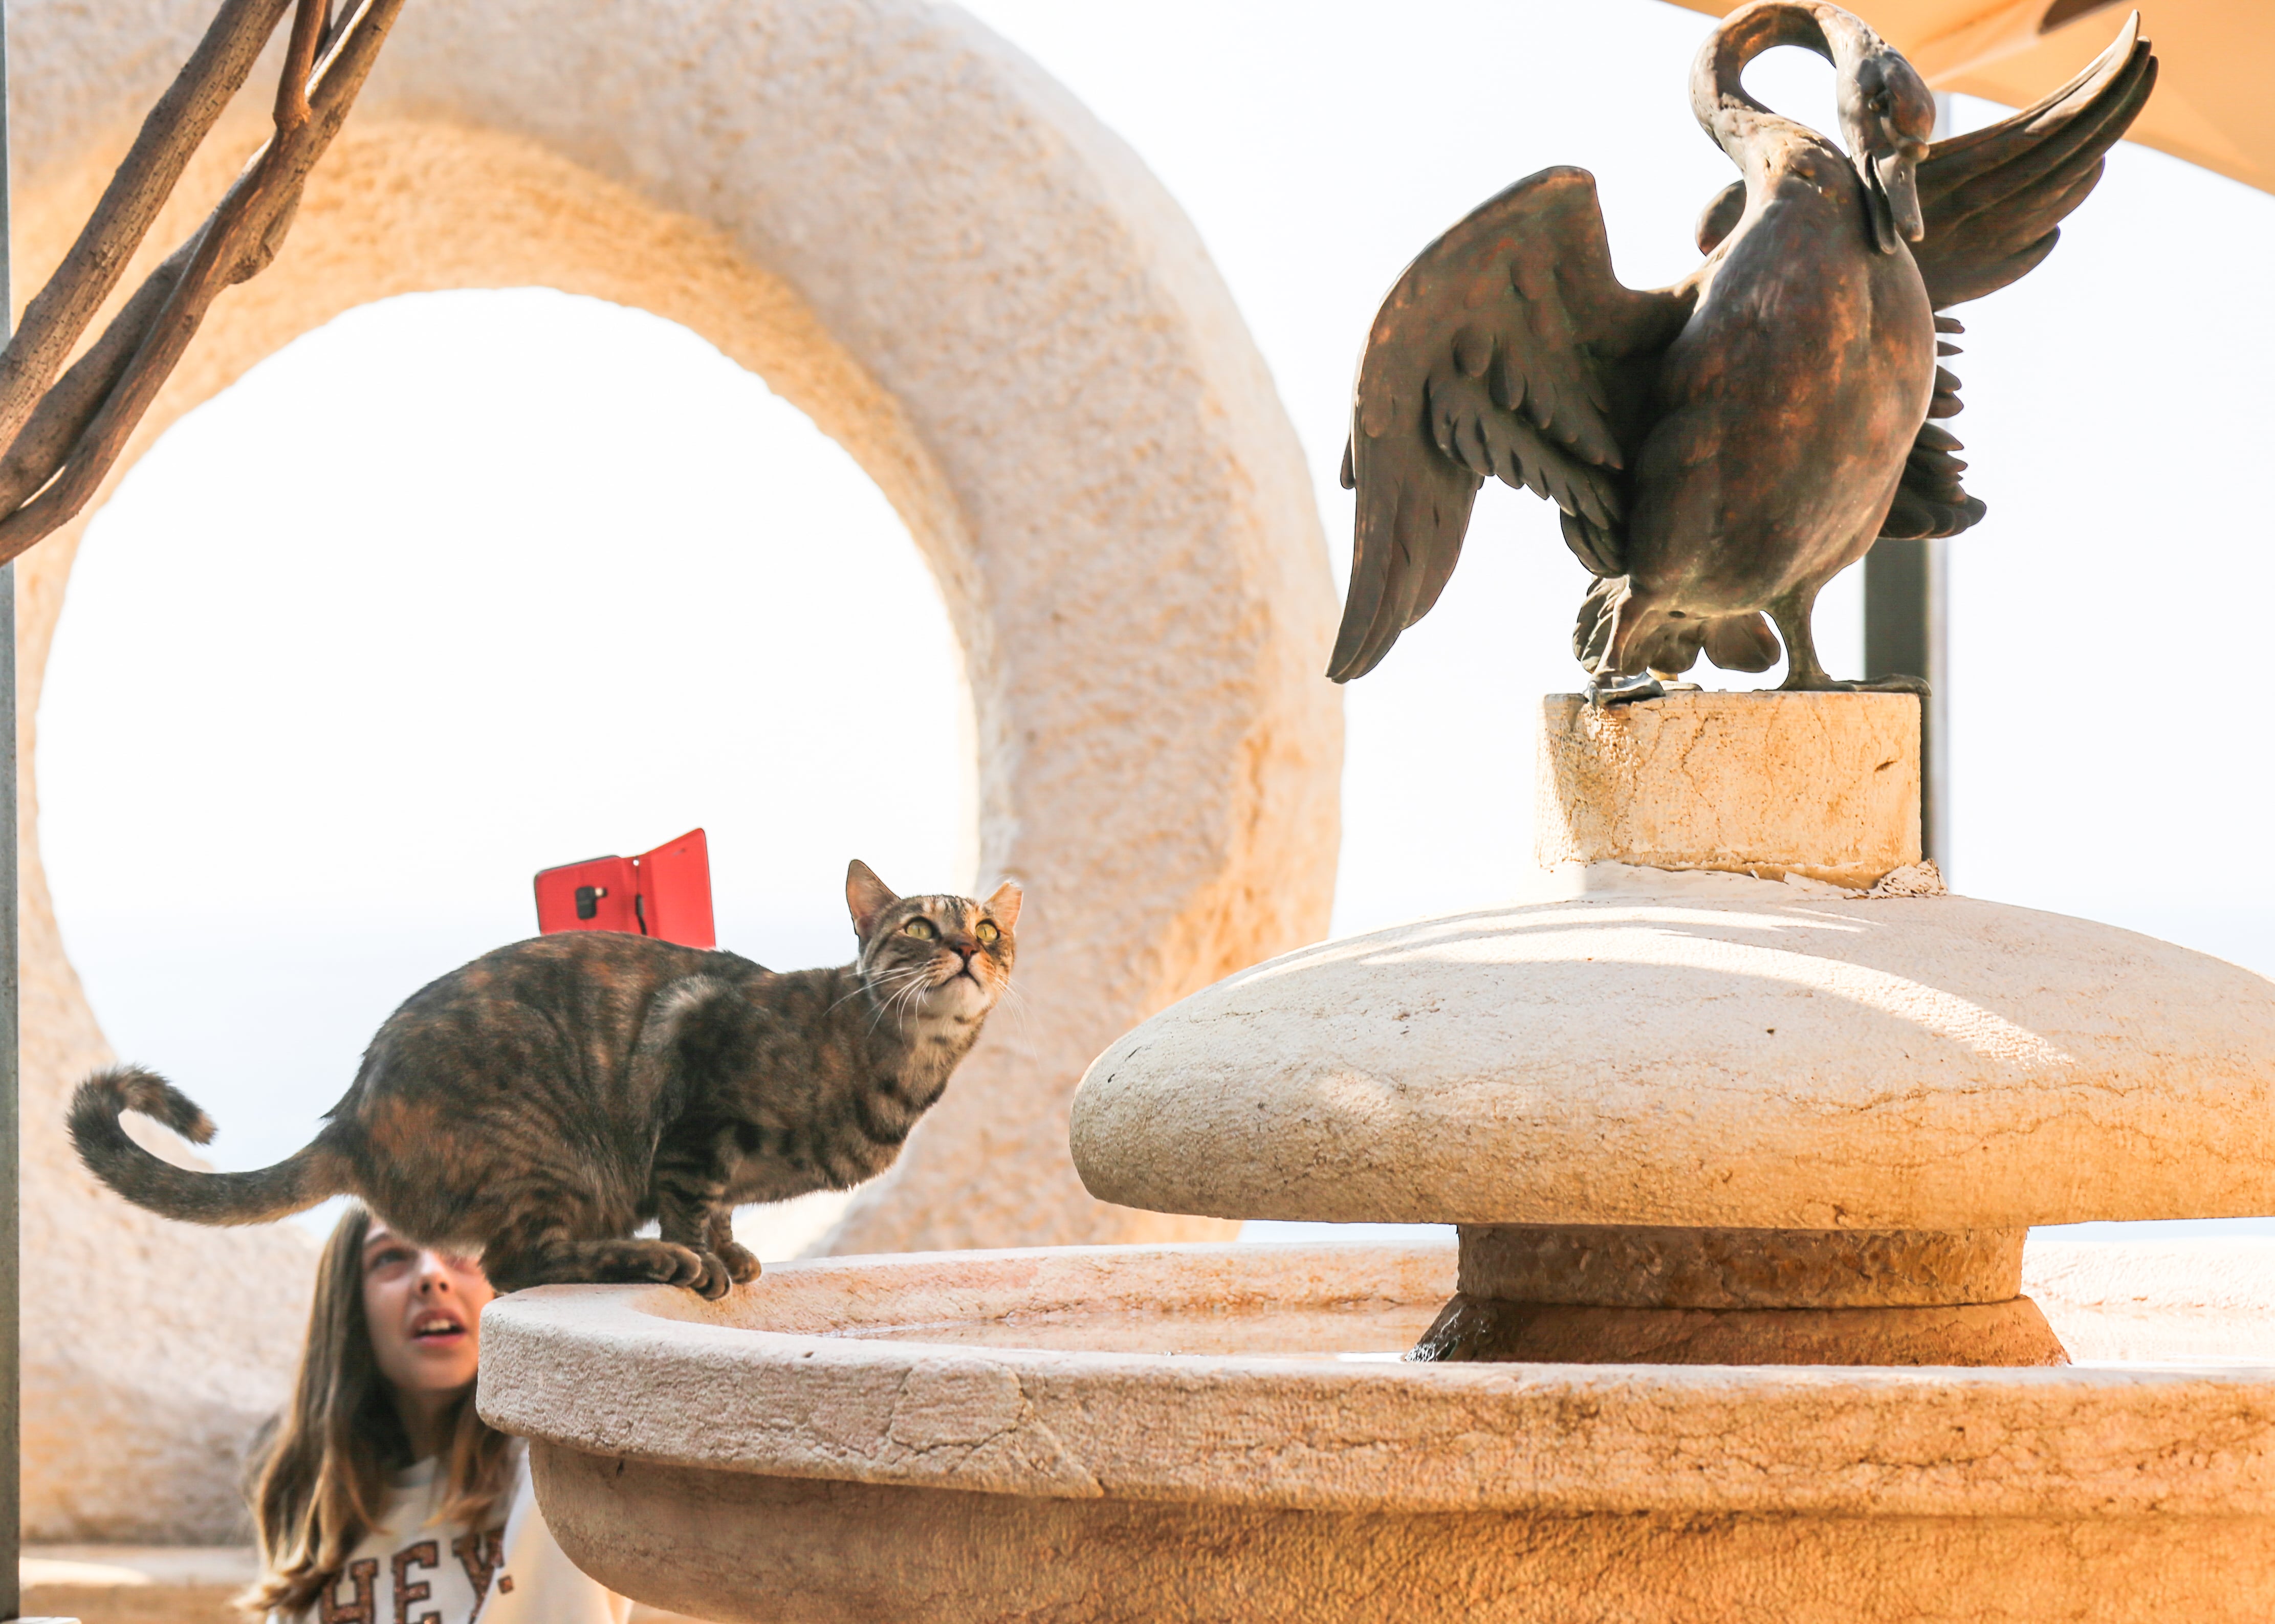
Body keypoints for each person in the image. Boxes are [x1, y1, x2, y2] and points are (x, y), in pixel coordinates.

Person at [240, 1203, 631, 1622]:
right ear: (350, 1304)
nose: (431, 1275)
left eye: (460, 1246)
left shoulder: (573, 1464)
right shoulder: (311, 1504)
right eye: (391, 1257)